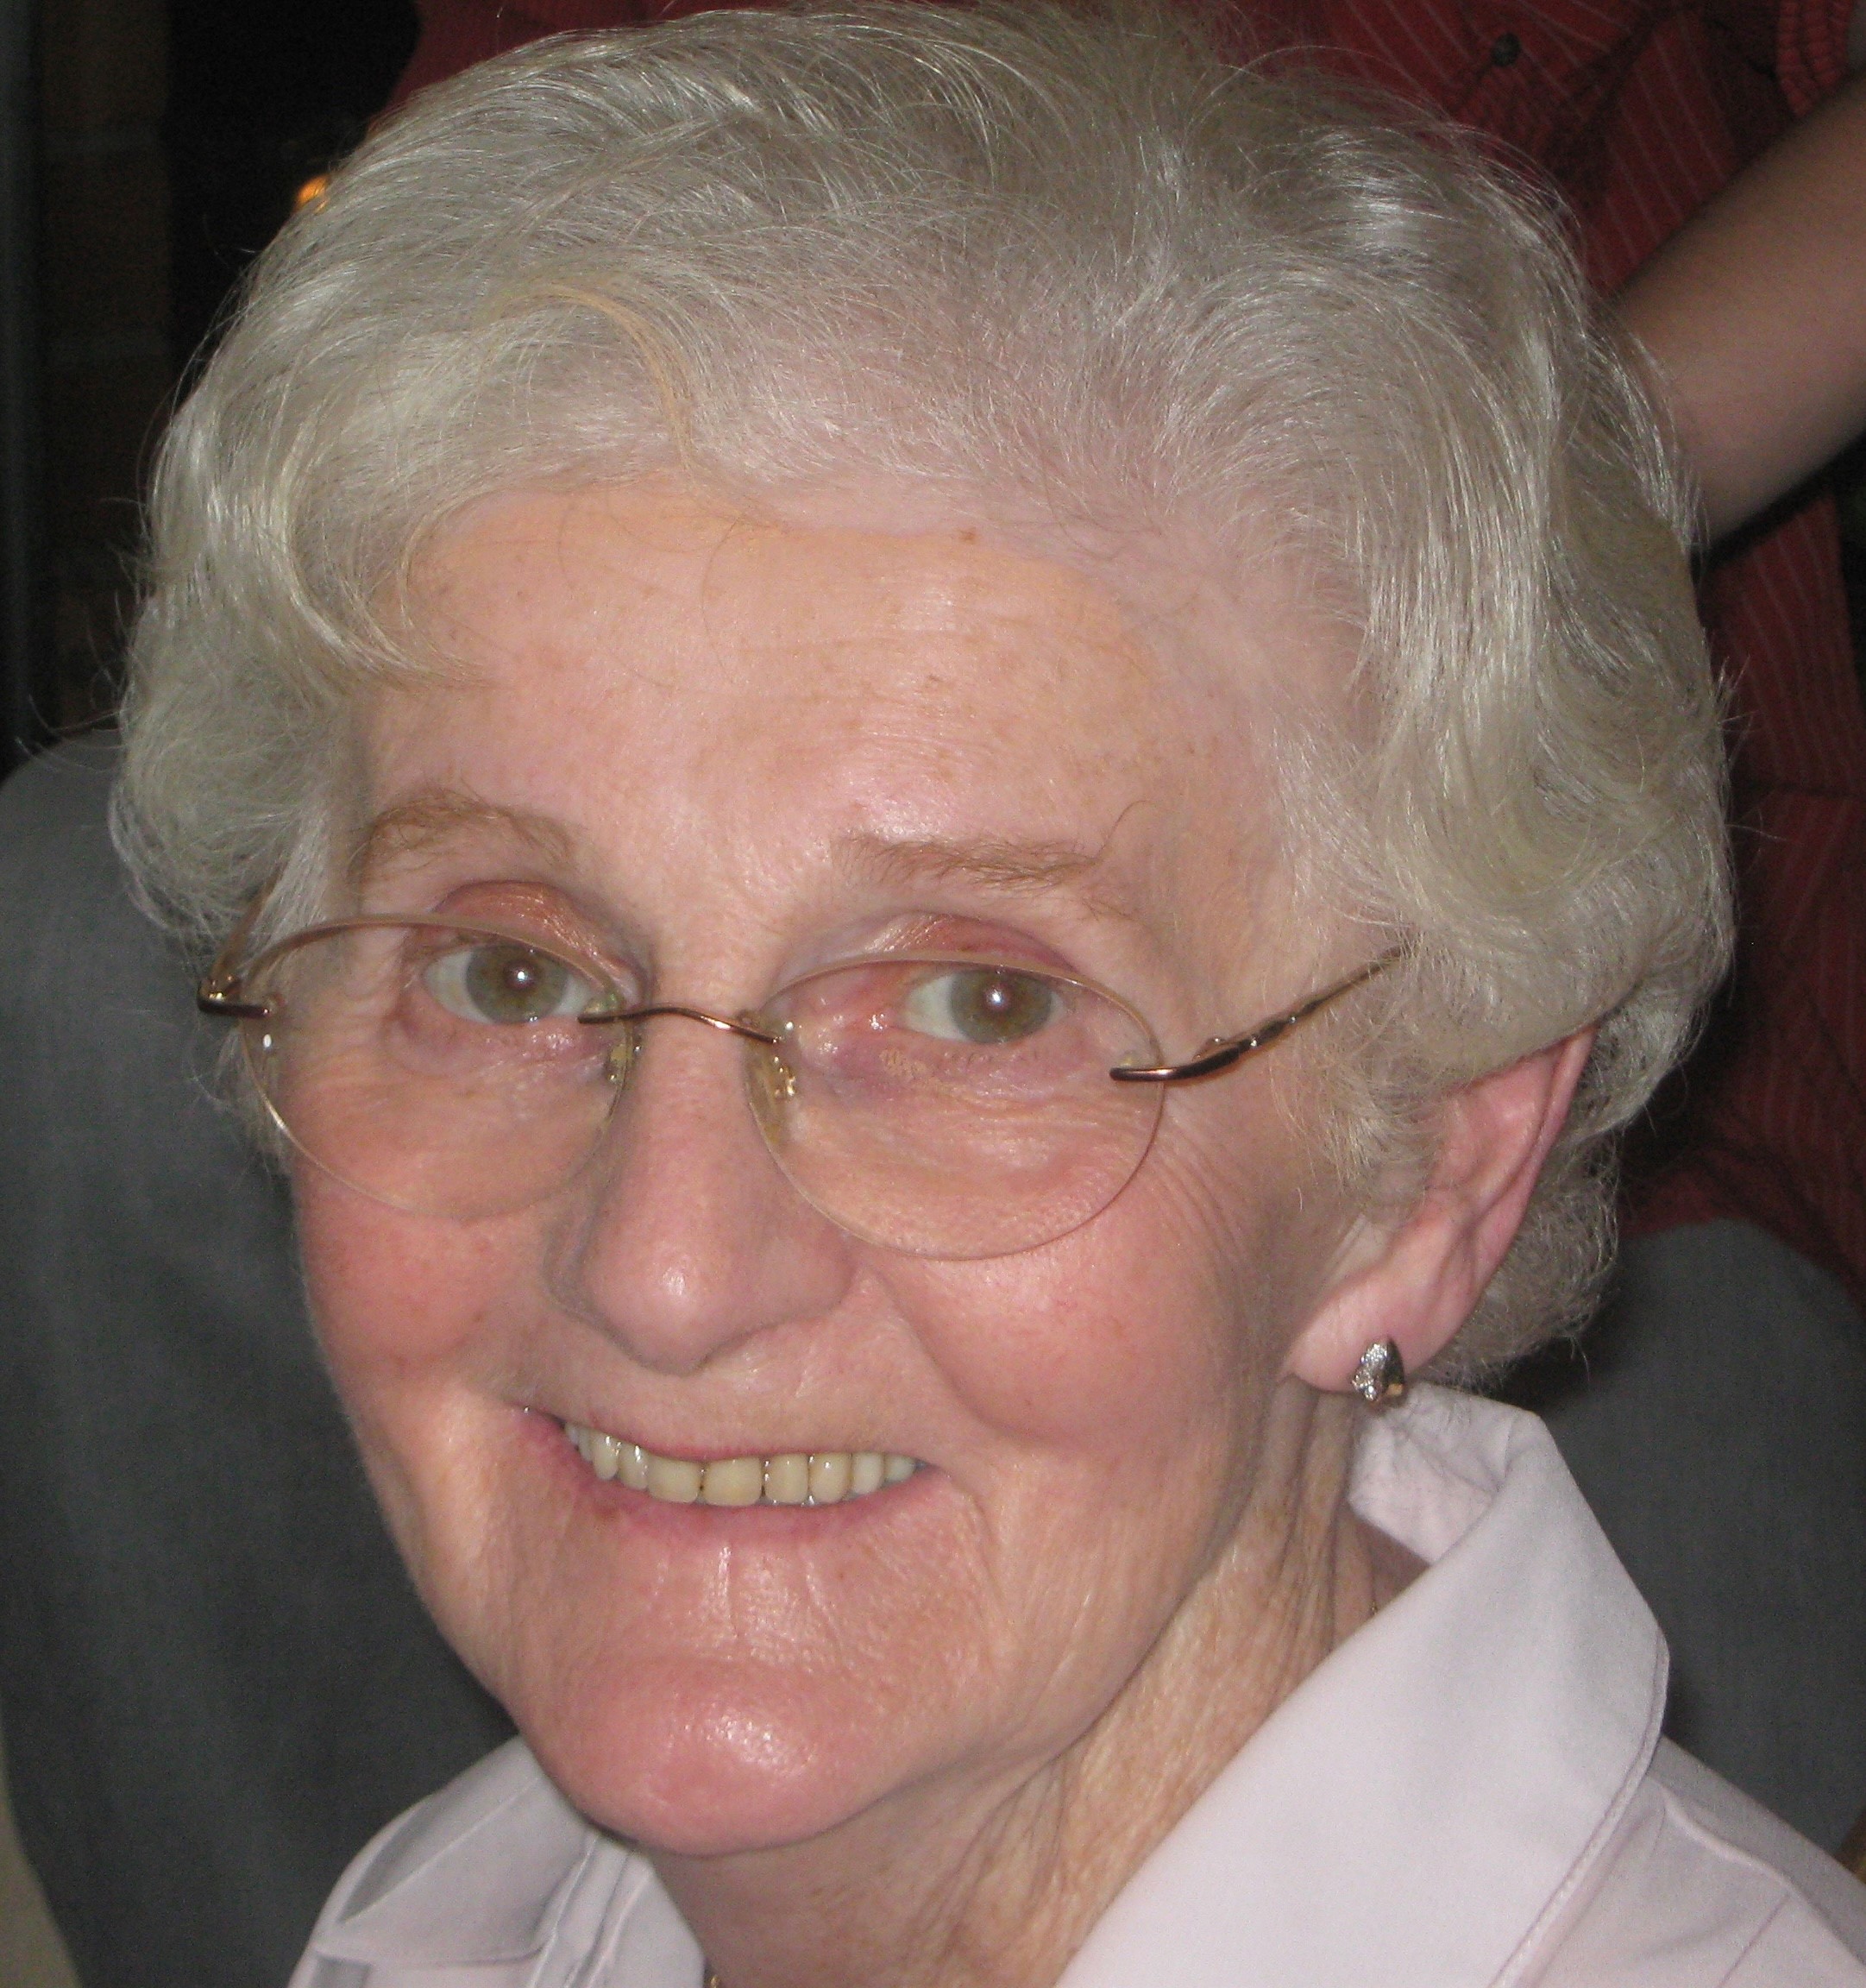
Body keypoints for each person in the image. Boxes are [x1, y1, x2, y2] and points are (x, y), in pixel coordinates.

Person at [105, 6, 1866, 1981]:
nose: (665, 1275)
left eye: (978, 1009)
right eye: (506, 973)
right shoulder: (455, 1920)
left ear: (1427, 1168)